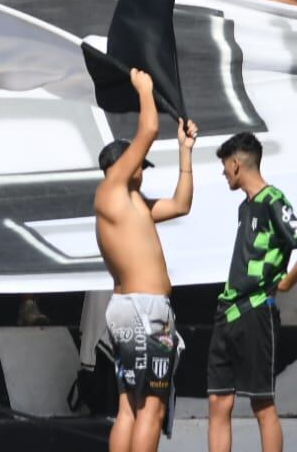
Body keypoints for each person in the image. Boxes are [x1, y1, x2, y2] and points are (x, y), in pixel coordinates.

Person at [94, 68, 194, 452]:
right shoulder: (111, 191)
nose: (143, 169)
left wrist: (185, 152)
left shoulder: (134, 203)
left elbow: (182, 204)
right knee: (150, 407)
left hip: (131, 310)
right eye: (140, 163)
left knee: (130, 408)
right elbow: (149, 129)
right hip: (145, 310)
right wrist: (144, 90)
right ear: (122, 165)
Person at [207, 132, 297, 452]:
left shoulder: (274, 200)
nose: (222, 173)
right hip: (227, 311)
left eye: (223, 166)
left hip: (257, 312)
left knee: (262, 403)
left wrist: (286, 282)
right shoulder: (246, 208)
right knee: (218, 401)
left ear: (235, 164)